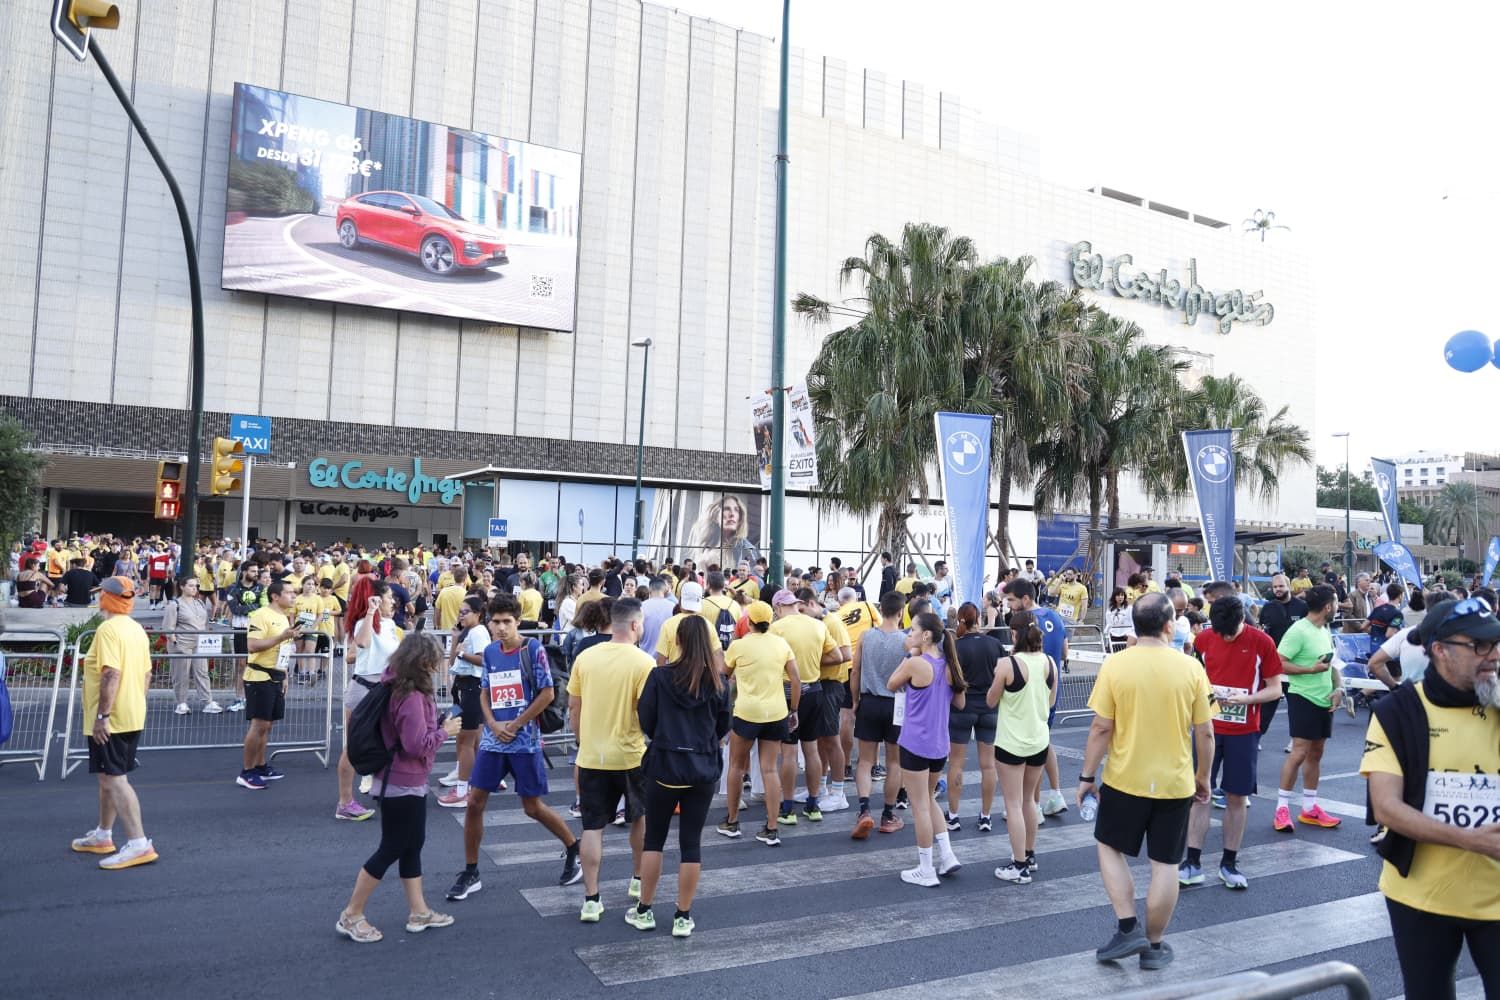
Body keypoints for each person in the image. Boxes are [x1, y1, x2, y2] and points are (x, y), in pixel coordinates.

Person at [1360, 597, 1500, 1000]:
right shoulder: (1397, 711)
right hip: (1421, 897)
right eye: (1479, 646)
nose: (1492, 656)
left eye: (1496, 644)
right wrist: (1471, 840)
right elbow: (1387, 806)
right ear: (1440, 650)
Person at [1081, 592, 1213, 970]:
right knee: (1166, 863)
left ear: (1135, 626)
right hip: (1176, 782)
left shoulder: (1116, 665)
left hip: (1125, 779)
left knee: (1109, 847)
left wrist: (1087, 776)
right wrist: (1202, 776)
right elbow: (1205, 733)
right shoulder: (1191, 669)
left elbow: (1101, 727)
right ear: (1170, 625)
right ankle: (1154, 946)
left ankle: (1127, 926)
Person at [446, 594, 581, 902]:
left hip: (524, 742)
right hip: (494, 741)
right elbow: (485, 691)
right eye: (496, 622)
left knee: (531, 807)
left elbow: (547, 693)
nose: (502, 627)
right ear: (488, 623)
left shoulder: (532, 650)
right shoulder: (491, 652)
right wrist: (492, 724)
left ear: (518, 621)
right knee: (474, 802)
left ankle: (573, 846)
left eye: (508, 621)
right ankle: (471, 870)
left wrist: (517, 724)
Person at [335, 634, 463, 944]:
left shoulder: (396, 686)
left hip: (402, 780)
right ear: (422, 662)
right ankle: (351, 914)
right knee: (392, 847)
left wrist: (436, 727)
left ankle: (418, 911)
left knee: (412, 844)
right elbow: (415, 745)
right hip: (402, 780)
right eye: (433, 660)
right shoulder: (411, 697)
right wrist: (444, 732)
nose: (436, 666)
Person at [628, 615, 730, 937]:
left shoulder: (660, 677)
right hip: (702, 769)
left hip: (664, 766)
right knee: (691, 844)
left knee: (654, 841)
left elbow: (646, 719)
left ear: (679, 642)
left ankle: (644, 909)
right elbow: (723, 727)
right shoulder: (719, 683)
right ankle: (682, 916)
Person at [1179, 596, 1283, 890]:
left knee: (1236, 797)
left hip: (1244, 730)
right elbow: (1195, 677)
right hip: (1207, 728)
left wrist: (1247, 699)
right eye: (1219, 632)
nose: (1224, 637)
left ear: (1242, 620)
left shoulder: (1262, 642)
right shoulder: (1205, 639)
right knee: (1200, 793)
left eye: (1230, 632)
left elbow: (1275, 689)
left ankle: (1229, 863)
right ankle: (1192, 862)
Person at [570, 598, 656, 923]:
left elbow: (574, 708)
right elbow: (647, 714)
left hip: (592, 755)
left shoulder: (586, 657)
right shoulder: (643, 663)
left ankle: (591, 899)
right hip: (631, 754)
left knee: (592, 827)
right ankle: (636, 879)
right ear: (635, 625)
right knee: (640, 818)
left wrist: (582, 741)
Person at [69, 578, 160, 870]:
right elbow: (146, 675)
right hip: (132, 712)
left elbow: (110, 674)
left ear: (107, 598)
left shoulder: (108, 630)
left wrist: (103, 716)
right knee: (108, 775)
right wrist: (134, 703)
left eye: (101, 596)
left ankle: (138, 844)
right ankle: (103, 834)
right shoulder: (135, 629)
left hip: (113, 718)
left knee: (114, 778)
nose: (98, 600)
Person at [888, 611, 966, 886]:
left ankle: (926, 869)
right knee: (929, 800)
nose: (908, 636)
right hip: (938, 744)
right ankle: (946, 854)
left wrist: (910, 654)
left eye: (912, 631)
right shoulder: (948, 664)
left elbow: (891, 683)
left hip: (915, 742)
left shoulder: (916, 663)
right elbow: (960, 704)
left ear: (925, 636)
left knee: (919, 805)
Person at [718, 601, 800, 845]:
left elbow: (724, 674)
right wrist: (793, 709)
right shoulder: (781, 644)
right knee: (769, 769)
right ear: (770, 621)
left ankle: (732, 822)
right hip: (775, 713)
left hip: (746, 712)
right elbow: (795, 679)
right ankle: (772, 827)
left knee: (735, 766)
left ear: (749, 622)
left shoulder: (738, 645)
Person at [988, 609, 1058, 883]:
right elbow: (1051, 702)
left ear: (1013, 634)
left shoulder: (1008, 665)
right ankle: (1029, 855)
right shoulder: (1050, 662)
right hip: (1039, 740)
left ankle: (1018, 866)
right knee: (1029, 800)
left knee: (1013, 804)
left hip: (1011, 744)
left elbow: (991, 701)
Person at [1274, 584, 1345, 833]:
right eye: (1336, 603)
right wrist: (1309, 670)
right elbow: (1278, 663)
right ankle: (1281, 809)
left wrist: (1339, 690)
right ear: (1328, 607)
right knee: (1299, 752)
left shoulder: (1324, 629)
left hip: (1324, 699)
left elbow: (1332, 663)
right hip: (1302, 697)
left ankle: (1309, 808)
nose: (1338, 607)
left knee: (1316, 752)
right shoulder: (1299, 631)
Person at [770, 588, 840, 824]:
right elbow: (838, 655)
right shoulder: (818, 625)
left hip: (787, 691)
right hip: (815, 688)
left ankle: (787, 809)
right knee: (811, 749)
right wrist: (813, 662)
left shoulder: (777, 628)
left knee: (788, 752)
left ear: (778, 608)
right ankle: (813, 804)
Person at [1003, 578, 1070, 817]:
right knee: (1043, 740)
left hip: (1030, 691)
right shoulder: (1054, 616)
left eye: (1011, 600)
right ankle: (1055, 794)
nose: (1009, 606)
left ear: (1025, 598)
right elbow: (1064, 651)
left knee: (1032, 750)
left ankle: (1034, 805)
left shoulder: (1028, 622)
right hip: (1052, 684)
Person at [334, 581, 399, 820]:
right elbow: (361, 643)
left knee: (387, 742)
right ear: (377, 599)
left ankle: (382, 788)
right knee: (353, 748)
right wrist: (371, 611)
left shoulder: (390, 624)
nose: (393, 601)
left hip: (385, 690)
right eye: (389, 597)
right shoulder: (365, 622)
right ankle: (344, 803)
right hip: (363, 690)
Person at [237, 580, 303, 790]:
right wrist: (281, 637)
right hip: (259, 677)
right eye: (290, 593)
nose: (294, 596)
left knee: (268, 725)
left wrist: (284, 676)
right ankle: (246, 771)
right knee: (258, 725)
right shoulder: (260, 615)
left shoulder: (283, 617)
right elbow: (252, 646)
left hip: (275, 675)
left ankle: (260, 765)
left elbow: (282, 650)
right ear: (275, 596)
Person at [946, 602, 1001, 832]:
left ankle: (954, 816)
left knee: (956, 764)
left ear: (960, 620)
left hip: (962, 707)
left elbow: (949, 679)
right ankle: (986, 815)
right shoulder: (995, 644)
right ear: (978, 618)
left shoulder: (956, 647)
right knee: (988, 766)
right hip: (989, 708)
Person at [436, 596, 489, 808]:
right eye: (460, 612)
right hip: (464, 689)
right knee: (469, 741)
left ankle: (462, 791)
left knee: (466, 741)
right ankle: (471, 786)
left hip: (473, 689)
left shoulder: (479, 632)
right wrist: (456, 640)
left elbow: (484, 659)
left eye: (465, 612)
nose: (461, 615)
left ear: (478, 614)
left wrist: (463, 654)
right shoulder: (468, 632)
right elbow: (452, 661)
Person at [1256, 573, 1307, 745]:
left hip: (1295, 665)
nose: (1277, 589)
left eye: (1281, 586)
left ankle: (1296, 740)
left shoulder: (1302, 607)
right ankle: (1256, 737)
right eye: (1275, 587)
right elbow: (1263, 633)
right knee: (1267, 704)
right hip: (1272, 665)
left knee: (1296, 706)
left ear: (1289, 587)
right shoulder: (1268, 608)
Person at [163, 576, 220, 715]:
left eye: (196, 586)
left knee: (202, 673)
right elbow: (168, 627)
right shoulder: (174, 605)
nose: (194, 588)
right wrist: (174, 640)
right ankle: (181, 703)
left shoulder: (200, 603)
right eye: (191, 586)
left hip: (199, 643)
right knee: (181, 675)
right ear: (182, 587)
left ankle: (208, 701)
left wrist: (207, 638)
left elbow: (205, 624)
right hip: (182, 644)